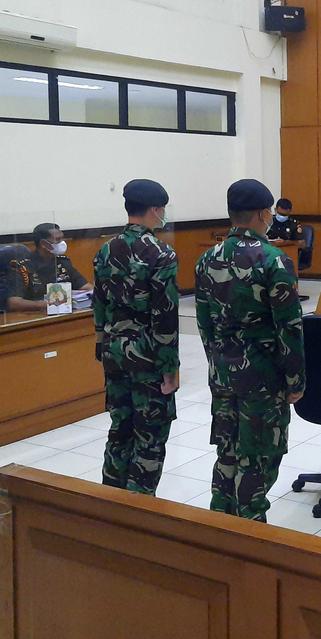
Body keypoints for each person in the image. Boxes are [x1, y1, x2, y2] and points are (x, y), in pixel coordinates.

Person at [195, 178, 305, 522]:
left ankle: (219, 522)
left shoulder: (206, 259)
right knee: (259, 455)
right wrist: (296, 379)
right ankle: (251, 530)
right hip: (263, 376)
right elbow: (289, 327)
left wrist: (217, 363)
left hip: (223, 372)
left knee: (227, 450)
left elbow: (203, 322)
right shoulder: (273, 260)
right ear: (262, 213)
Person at [93, 179, 179, 496]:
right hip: (148, 356)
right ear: (155, 210)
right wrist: (171, 368)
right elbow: (165, 315)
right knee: (150, 434)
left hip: (114, 350)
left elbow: (99, 303)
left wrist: (101, 346)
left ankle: (110, 499)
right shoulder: (161, 253)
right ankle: (140, 508)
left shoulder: (106, 249)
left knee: (120, 428)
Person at [6, 223, 92, 312]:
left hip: (63, 312)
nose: (62, 243)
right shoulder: (22, 267)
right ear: (43, 243)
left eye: (62, 238)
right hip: (34, 315)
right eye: (57, 240)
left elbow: (87, 288)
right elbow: (14, 303)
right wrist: (46, 304)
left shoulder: (63, 261)